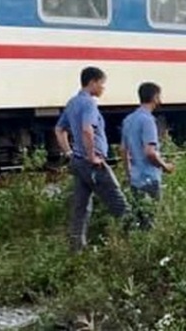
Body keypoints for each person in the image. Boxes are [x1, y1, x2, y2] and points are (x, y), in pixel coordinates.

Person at [54, 66, 129, 252]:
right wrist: (92, 156)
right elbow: (88, 130)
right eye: (102, 84)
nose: (103, 88)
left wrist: (69, 153)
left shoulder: (72, 103)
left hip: (78, 162)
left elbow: (58, 130)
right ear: (93, 82)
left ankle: (76, 250)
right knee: (119, 203)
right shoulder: (89, 104)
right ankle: (138, 241)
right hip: (91, 163)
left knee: (81, 208)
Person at [120, 82, 174, 230]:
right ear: (155, 97)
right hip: (149, 178)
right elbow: (150, 152)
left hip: (135, 178)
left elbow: (123, 150)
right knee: (151, 221)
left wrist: (128, 173)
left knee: (140, 220)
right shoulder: (148, 120)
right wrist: (165, 166)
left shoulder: (128, 120)